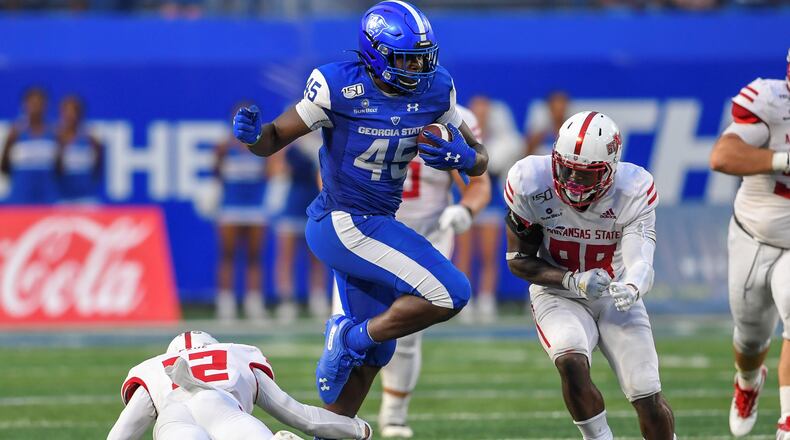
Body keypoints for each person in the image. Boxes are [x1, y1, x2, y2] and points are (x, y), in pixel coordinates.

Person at [231, 0, 487, 418]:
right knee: (451, 292)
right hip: (344, 220)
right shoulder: (338, 84)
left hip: (376, 221)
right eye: (406, 59)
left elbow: (481, 160)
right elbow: (274, 137)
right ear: (374, 52)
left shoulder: (438, 88)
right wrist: (253, 137)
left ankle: (330, 427)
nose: (417, 70)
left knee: (374, 355)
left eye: (424, 59)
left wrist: (464, 157)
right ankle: (349, 338)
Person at [504, 111, 676, 439]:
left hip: (614, 293)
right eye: (565, 168)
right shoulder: (529, 180)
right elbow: (518, 261)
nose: (571, 180)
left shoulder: (633, 188)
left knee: (646, 391)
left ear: (610, 171)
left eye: (584, 175)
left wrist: (631, 287)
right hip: (557, 292)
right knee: (569, 356)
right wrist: (573, 280)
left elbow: (641, 260)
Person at [328, 105, 490, 438]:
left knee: (406, 334)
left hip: (426, 236)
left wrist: (465, 209)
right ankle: (332, 424)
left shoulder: (456, 118)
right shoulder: (367, 108)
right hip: (367, 232)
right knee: (345, 328)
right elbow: (331, 169)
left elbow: (479, 182)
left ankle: (394, 416)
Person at [709, 49, 790, 439]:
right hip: (753, 236)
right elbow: (722, 156)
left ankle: (787, 422)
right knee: (750, 336)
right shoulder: (770, 100)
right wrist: (782, 160)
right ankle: (747, 380)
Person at [107, 331, 371, 440]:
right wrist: (358, 429)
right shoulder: (237, 354)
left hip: (172, 416)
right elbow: (299, 415)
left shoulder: (153, 367)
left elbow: (121, 433)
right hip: (223, 408)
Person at [452, 95, 522, 322]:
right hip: (465, 198)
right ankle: (466, 301)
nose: (480, 115)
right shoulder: (459, 137)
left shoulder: (501, 142)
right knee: (464, 253)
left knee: (489, 254)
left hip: (489, 201)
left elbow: (499, 167)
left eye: (484, 111)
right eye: (476, 111)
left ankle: (486, 300)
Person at [214, 103, 270, 322]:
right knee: (227, 254)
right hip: (230, 207)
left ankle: (253, 303)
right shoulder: (223, 146)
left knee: (254, 256)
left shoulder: (261, 143)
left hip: (255, 207)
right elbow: (216, 175)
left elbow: (270, 172)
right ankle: (225, 303)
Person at [271, 129, 328, 322]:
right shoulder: (289, 147)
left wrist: (316, 154)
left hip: (315, 205)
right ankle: (286, 301)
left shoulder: (323, 145)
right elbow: (275, 171)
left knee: (317, 256)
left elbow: (324, 177)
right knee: (286, 257)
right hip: (290, 206)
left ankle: (317, 298)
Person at [0, 87, 59, 204]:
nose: (36, 108)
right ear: (24, 105)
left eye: (40, 103)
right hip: (20, 199)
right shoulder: (15, 133)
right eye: (32, 103)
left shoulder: (55, 134)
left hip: (48, 200)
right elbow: (4, 166)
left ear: (46, 106)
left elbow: (60, 168)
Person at [55, 94, 104, 204]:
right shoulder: (55, 140)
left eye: (74, 111)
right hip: (63, 199)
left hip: (87, 199)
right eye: (66, 111)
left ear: (81, 114)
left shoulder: (91, 140)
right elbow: (54, 172)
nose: (70, 115)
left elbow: (97, 171)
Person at [525, 90, 570, 157]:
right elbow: (526, 152)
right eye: (556, 107)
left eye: (562, 106)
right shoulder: (540, 131)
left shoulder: (571, 131)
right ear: (550, 107)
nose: (559, 110)